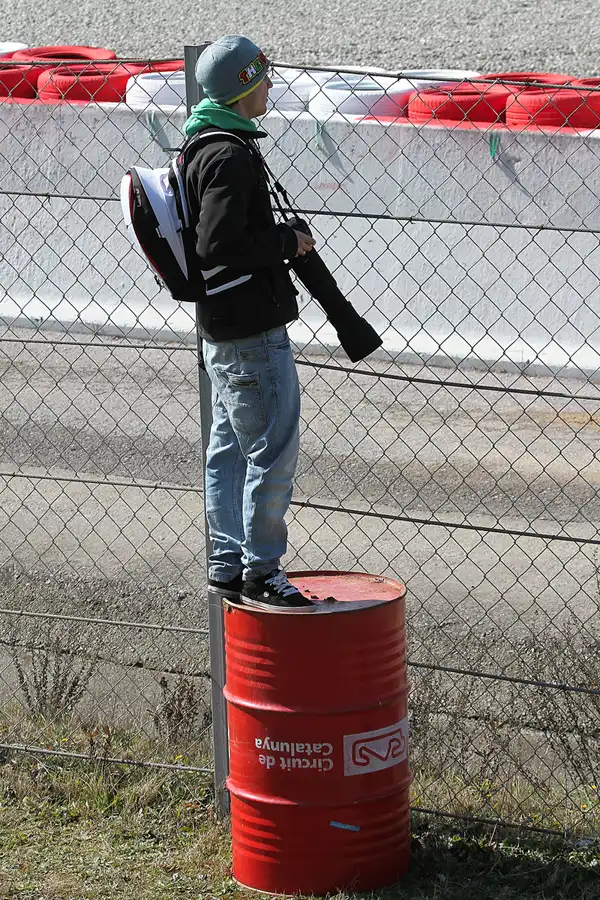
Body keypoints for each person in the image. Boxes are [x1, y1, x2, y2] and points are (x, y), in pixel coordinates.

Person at [184, 35, 317, 610]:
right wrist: (287, 240)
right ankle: (262, 570)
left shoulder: (199, 143)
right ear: (245, 87)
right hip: (251, 332)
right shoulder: (231, 156)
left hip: (223, 326)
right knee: (272, 448)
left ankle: (226, 563)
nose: (270, 86)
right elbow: (219, 242)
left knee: (228, 448)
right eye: (263, 78)